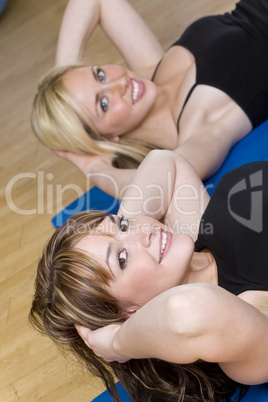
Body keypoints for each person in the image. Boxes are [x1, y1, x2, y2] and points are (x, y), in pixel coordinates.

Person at [30, 149, 268, 402]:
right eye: (122, 259)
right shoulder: (246, 316)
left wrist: (121, 234)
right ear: (131, 314)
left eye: (122, 224)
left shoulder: (196, 235)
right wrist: (117, 344)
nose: (143, 231)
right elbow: (185, 311)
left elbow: (163, 162)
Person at [31, 0, 268, 197]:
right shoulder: (199, 129)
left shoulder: (149, 71)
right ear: (107, 138)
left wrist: (64, 75)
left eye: (100, 75)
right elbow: (155, 184)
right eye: (103, 104)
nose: (119, 82)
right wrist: (94, 168)